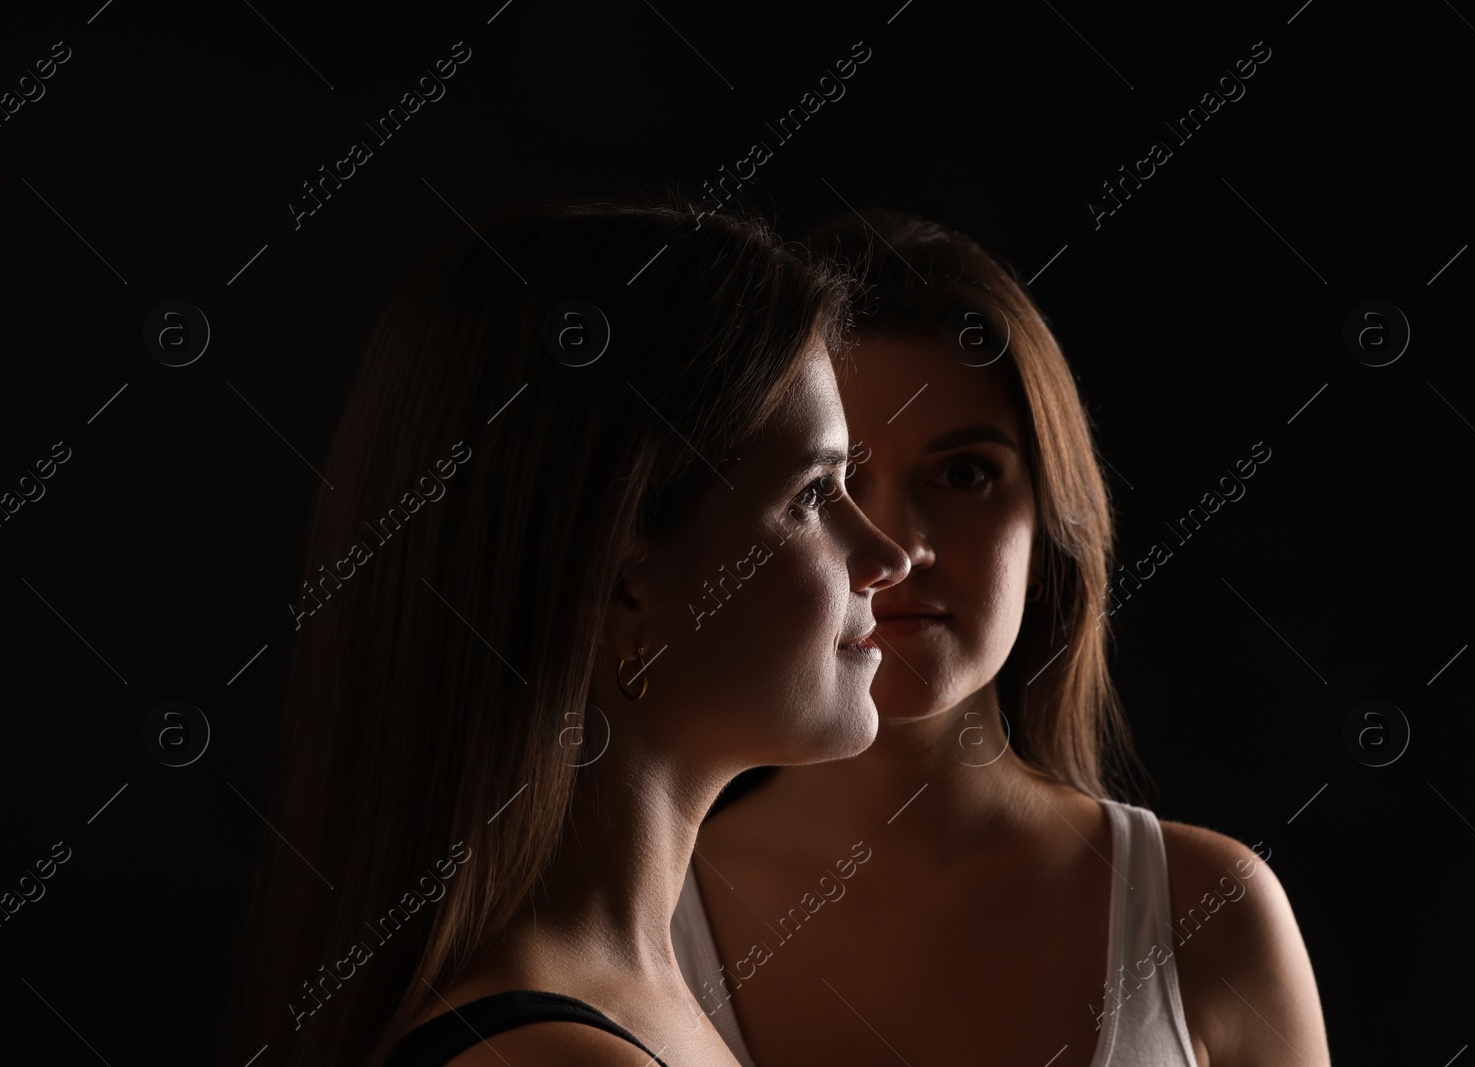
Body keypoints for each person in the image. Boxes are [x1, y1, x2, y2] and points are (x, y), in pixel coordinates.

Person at [222, 198, 912, 1067]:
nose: (886, 553)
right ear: (626, 589)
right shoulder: (559, 1053)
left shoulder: (629, 1001)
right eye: (813, 495)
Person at [670, 209, 1332, 1067]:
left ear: (1049, 524)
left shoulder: (1207, 914)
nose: (899, 545)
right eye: (834, 480)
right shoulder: (637, 922)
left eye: (964, 474)